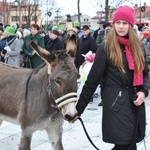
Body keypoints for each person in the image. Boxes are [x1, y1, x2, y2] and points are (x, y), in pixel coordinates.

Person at [71, 4, 149, 150]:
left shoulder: (138, 46)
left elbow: (145, 73)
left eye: (125, 23)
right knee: (125, 145)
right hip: (116, 104)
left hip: (135, 104)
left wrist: (144, 92)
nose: (120, 27)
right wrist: (78, 109)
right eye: (117, 23)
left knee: (129, 144)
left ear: (131, 25)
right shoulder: (106, 48)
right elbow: (91, 82)